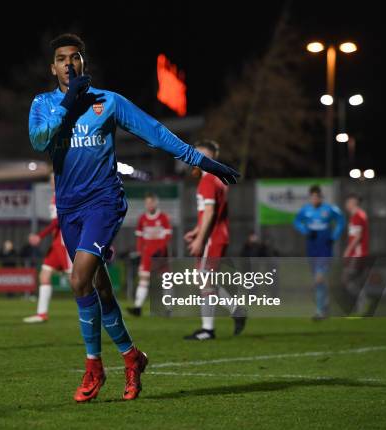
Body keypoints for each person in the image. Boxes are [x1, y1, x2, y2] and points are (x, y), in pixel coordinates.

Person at [28, 34, 239, 402]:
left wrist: (202, 161)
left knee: (79, 280)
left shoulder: (107, 102)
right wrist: (67, 102)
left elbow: (155, 133)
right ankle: (132, 357)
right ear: (53, 67)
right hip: (69, 207)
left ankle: (93, 366)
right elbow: (40, 140)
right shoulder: (43, 104)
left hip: (104, 201)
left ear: (83, 63)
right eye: (61, 59)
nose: (67, 64)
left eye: (74, 57)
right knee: (101, 286)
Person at [183, 140, 246, 340]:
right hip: (214, 235)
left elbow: (210, 212)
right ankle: (236, 310)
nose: (197, 158)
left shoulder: (209, 179)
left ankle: (208, 329)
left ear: (211, 158)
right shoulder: (214, 178)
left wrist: (200, 239)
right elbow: (210, 212)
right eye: (196, 154)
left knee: (204, 282)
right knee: (204, 280)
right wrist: (196, 230)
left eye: (202, 155)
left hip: (212, 238)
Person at [24, 177, 72, 323]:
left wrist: (40, 235)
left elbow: (58, 221)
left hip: (64, 243)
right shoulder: (55, 196)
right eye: (51, 179)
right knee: (44, 274)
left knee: (75, 281)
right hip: (56, 243)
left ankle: (100, 308)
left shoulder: (62, 195)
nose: (52, 181)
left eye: (54, 178)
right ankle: (42, 314)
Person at [293, 184, 345, 320]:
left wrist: (334, 237)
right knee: (320, 281)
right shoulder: (305, 210)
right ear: (310, 198)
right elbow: (297, 222)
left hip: (324, 248)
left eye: (317, 197)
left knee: (319, 279)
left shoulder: (329, 209)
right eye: (312, 197)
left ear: (321, 197)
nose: (315, 199)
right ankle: (324, 307)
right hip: (312, 248)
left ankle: (319, 311)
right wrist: (306, 231)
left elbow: (341, 221)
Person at [126, 193, 171, 317]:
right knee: (143, 280)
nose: (149, 205)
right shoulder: (142, 219)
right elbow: (139, 238)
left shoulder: (163, 217)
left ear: (156, 203)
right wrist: (140, 252)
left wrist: (161, 250)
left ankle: (168, 308)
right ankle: (138, 307)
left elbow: (167, 236)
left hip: (160, 255)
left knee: (166, 281)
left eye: (151, 202)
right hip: (147, 256)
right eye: (147, 203)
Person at [342, 193, 370, 314]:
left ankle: (364, 301)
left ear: (353, 202)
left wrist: (347, 251)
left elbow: (357, 237)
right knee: (357, 281)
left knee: (346, 280)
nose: (346, 205)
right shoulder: (360, 215)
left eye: (348, 202)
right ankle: (360, 308)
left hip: (357, 255)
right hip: (361, 254)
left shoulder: (357, 216)